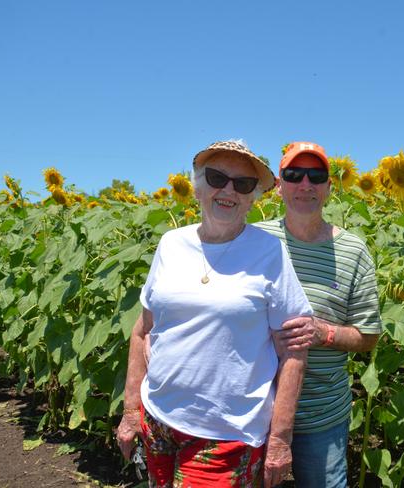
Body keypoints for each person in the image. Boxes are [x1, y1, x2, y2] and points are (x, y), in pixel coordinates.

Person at [116, 140, 314, 488]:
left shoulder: (269, 252)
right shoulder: (171, 244)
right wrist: (132, 410)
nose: (228, 190)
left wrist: (280, 438)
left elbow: (294, 351)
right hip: (159, 418)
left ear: (253, 198)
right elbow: (142, 330)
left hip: (227, 433)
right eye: (217, 177)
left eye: (243, 184)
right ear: (197, 186)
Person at [255, 141, 382, 487]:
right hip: (253, 413)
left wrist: (322, 332)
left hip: (321, 416)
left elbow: (368, 336)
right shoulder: (255, 241)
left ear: (329, 187)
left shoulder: (353, 251)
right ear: (279, 186)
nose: (305, 185)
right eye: (294, 175)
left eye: (316, 176)